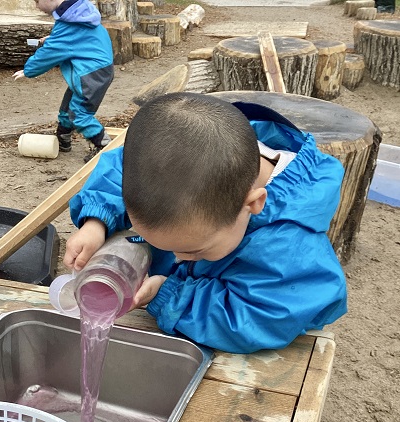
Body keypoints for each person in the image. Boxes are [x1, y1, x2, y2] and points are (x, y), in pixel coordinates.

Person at [63, 93, 347, 353]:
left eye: (194, 250)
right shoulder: (179, 155)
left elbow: (261, 316)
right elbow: (122, 168)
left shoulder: (288, 244)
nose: (177, 257)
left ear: (253, 205)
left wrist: (169, 294)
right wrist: (96, 221)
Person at [13, 0, 114, 162]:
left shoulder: (69, 23)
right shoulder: (77, 13)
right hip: (96, 69)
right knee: (68, 106)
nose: (36, 6)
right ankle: (63, 138)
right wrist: (53, 38)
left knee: (80, 113)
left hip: (91, 75)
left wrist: (28, 70)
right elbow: (74, 37)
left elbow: (49, 53)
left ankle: (104, 146)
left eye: (37, 1)